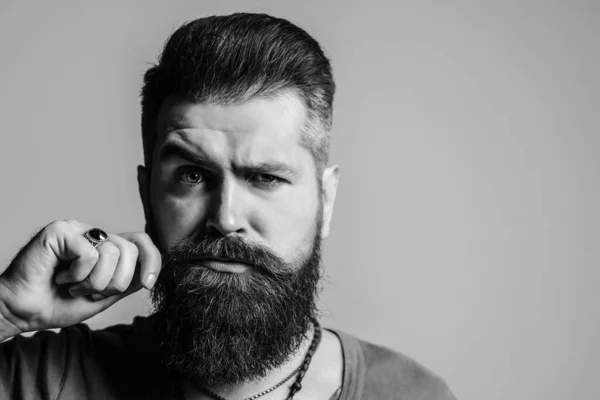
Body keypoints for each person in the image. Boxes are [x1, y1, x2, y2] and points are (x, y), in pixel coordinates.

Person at [0, 13, 456, 400]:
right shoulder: (43, 381)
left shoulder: (411, 393)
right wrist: (6, 311)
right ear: (147, 195)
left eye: (266, 177)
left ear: (326, 200)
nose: (226, 219)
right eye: (193, 175)